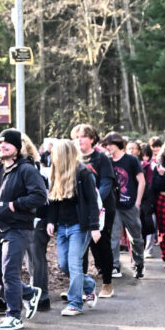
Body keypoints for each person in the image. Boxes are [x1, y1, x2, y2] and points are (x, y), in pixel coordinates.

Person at [0, 132, 47, 313]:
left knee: (10, 272)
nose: (2, 146)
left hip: (17, 227)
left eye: (8, 143)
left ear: (17, 148)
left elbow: (40, 196)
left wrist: (15, 205)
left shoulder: (27, 169)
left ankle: (13, 315)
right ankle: (29, 293)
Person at [46, 140, 100, 315]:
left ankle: (75, 303)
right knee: (64, 264)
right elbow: (53, 201)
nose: (53, 157)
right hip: (62, 226)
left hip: (80, 226)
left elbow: (92, 202)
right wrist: (50, 221)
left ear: (64, 155)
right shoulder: (55, 172)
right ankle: (89, 285)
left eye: (55, 154)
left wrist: (95, 226)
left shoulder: (83, 173)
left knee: (75, 263)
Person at [71, 124, 116, 298]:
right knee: (80, 247)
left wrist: (94, 202)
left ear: (92, 139)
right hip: (80, 209)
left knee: (101, 246)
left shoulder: (101, 158)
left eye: (83, 136)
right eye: (77, 137)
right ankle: (80, 287)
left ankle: (107, 283)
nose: (79, 140)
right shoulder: (73, 158)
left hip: (102, 208)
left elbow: (106, 183)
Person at [102, 132, 146, 279]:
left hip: (130, 205)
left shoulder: (131, 160)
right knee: (113, 236)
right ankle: (114, 265)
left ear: (118, 144)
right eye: (106, 145)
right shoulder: (107, 161)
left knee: (136, 237)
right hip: (113, 205)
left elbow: (141, 181)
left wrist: (137, 202)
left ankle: (138, 263)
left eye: (110, 144)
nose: (108, 147)